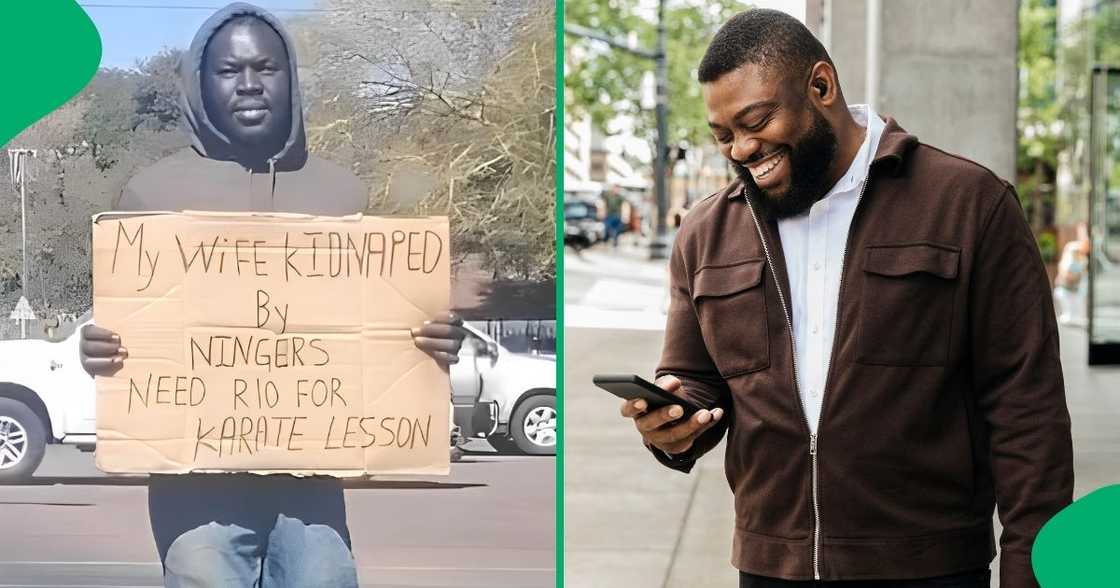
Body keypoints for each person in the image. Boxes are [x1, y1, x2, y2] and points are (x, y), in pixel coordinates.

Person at [618, 10, 1072, 588]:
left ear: (821, 86)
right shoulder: (706, 232)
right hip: (769, 568)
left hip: (930, 568)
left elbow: (1027, 414)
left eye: (755, 121)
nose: (740, 149)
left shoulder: (969, 205)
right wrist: (673, 421)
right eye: (724, 136)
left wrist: (1034, 575)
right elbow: (695, 378)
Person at [78, 4, 466, 586]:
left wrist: (434, 339)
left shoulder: (343, 195)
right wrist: (99, 351)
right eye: (230, 71)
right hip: (195, 490)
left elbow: (384, 330)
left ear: (291, 78)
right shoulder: (150, 194)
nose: (250, 85)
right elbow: (132, 331)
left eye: (266, 67)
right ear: (200, 85)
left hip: (312, 485)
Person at [1053, 222, 1090, 326]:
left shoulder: (1083, 252)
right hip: (1067, 283)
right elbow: (1063, 265)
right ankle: (1069, 314)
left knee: (1077, 299)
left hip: (1078, 284)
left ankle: (1075, 316)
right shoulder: (1072, 247)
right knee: (1061, 294)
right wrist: (1065, 275)